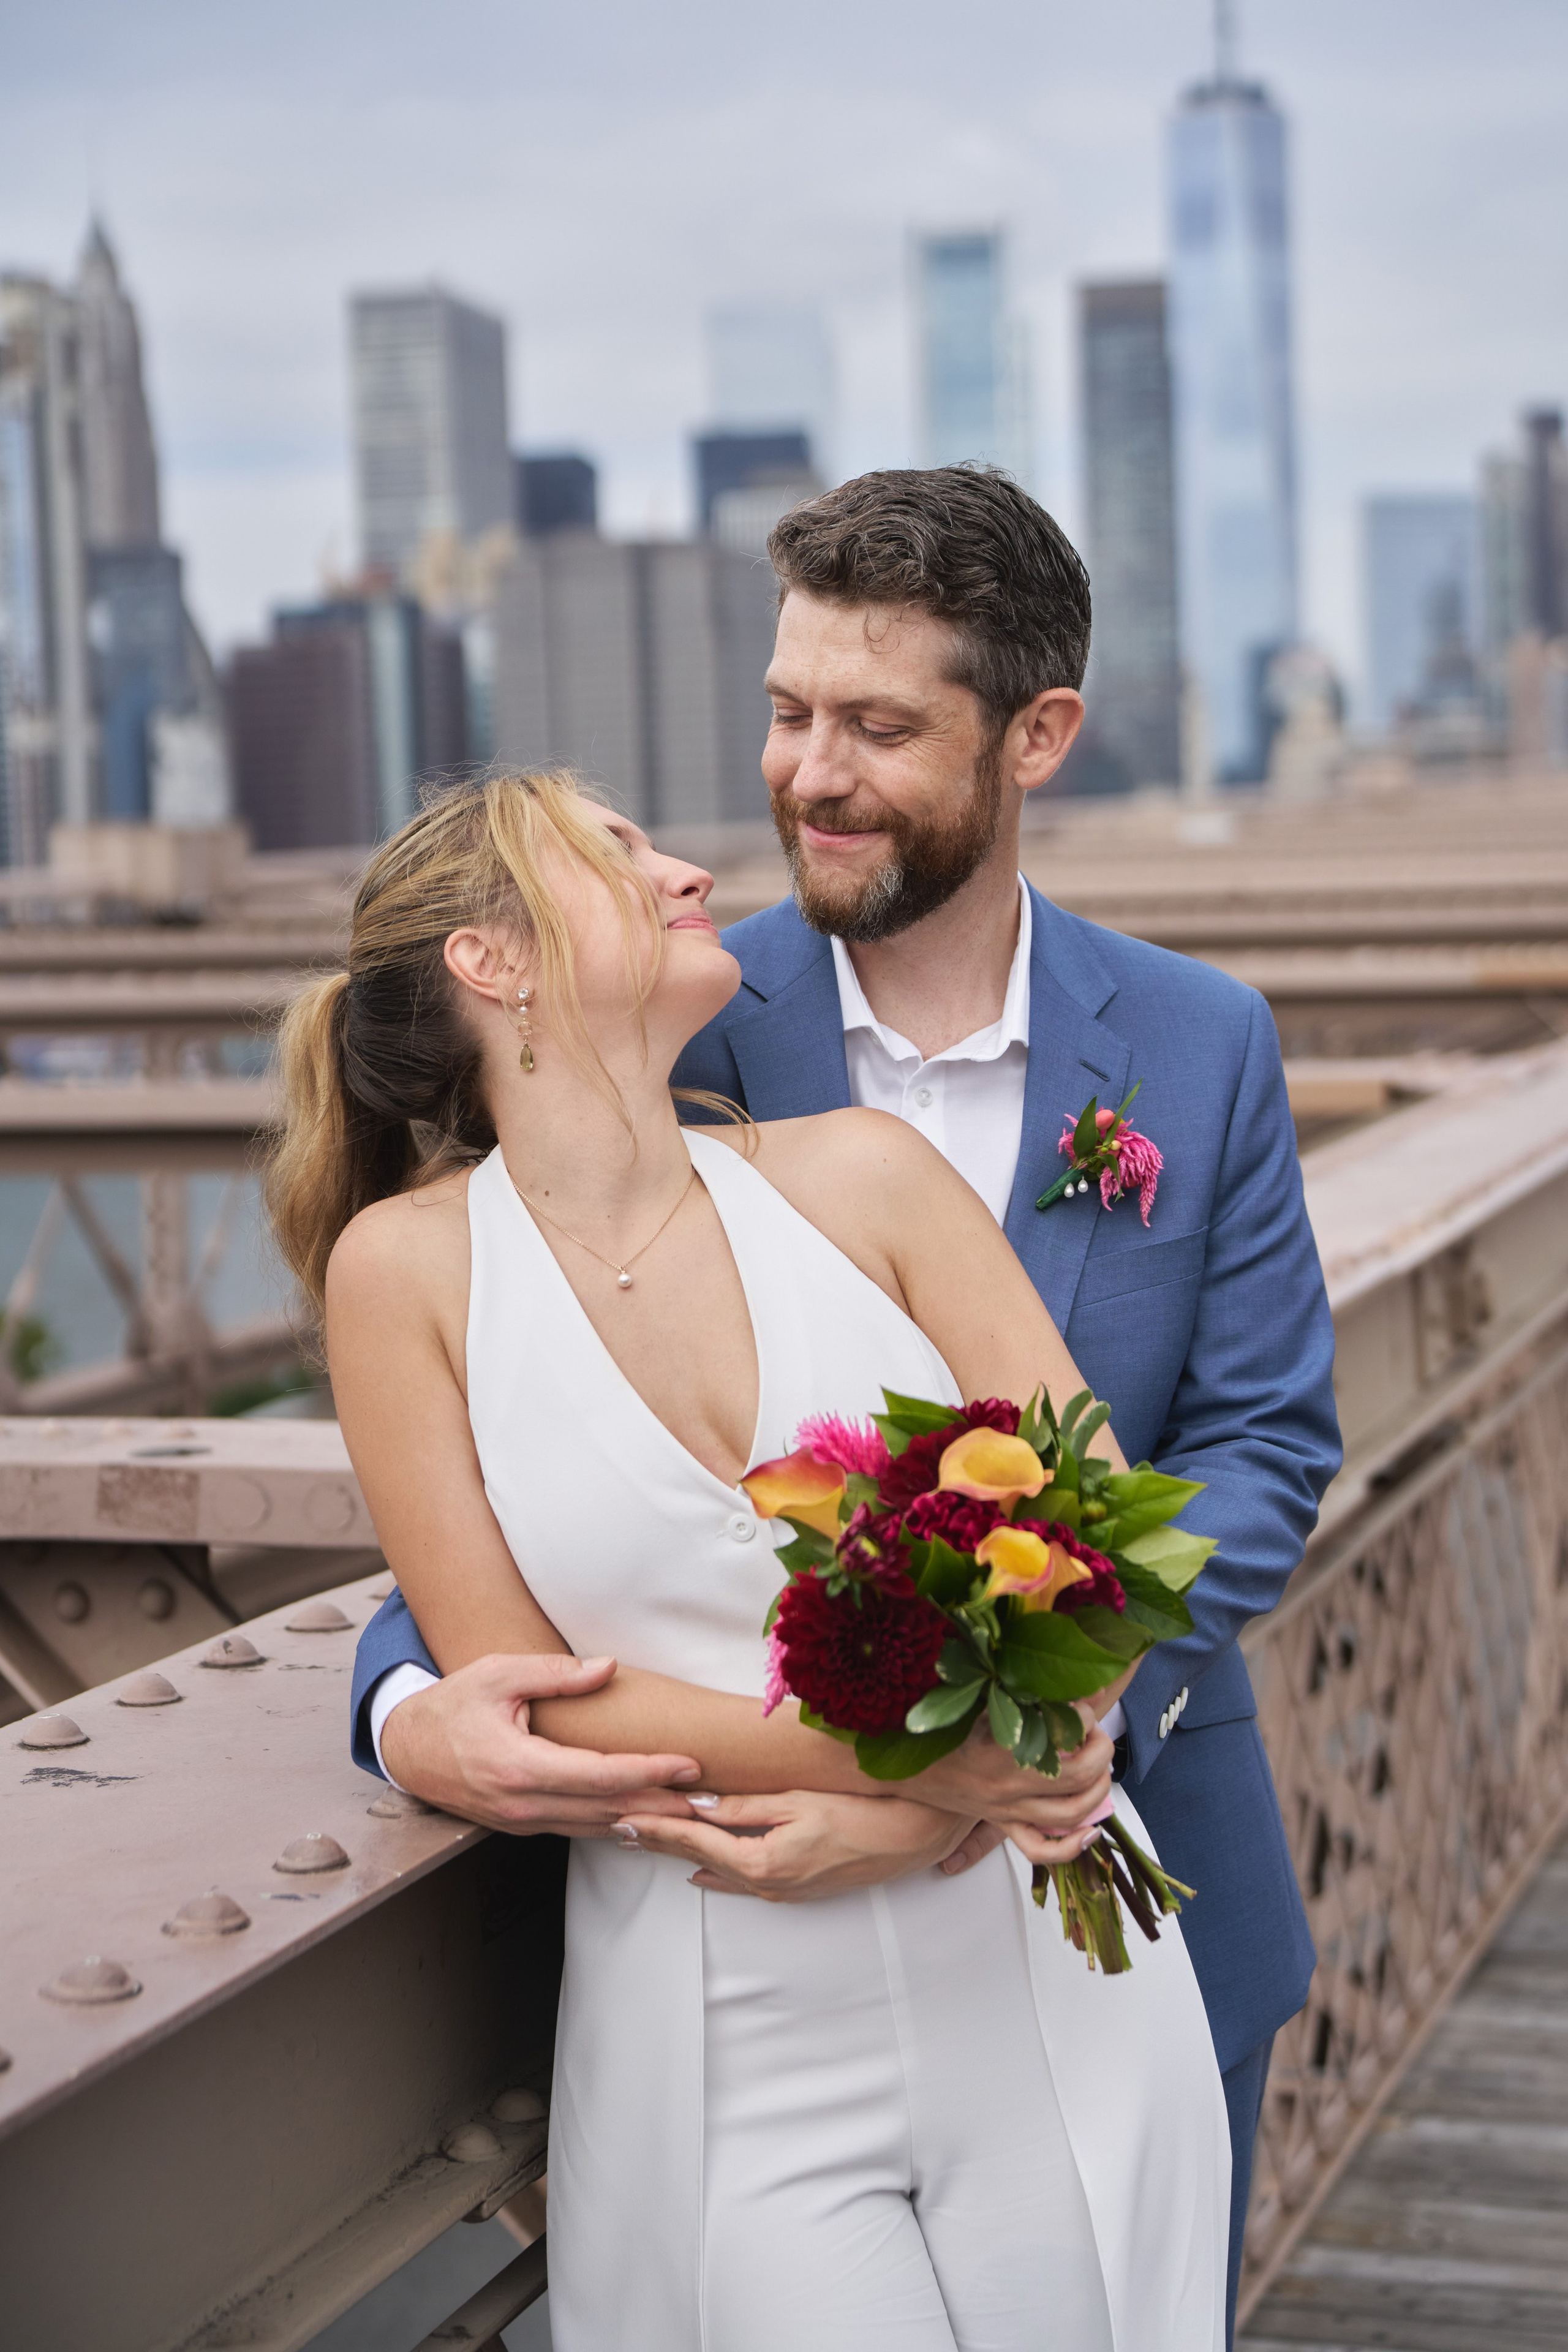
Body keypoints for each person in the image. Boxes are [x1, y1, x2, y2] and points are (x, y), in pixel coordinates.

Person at [344, 467, 1341, 2341]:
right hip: (760, 1969)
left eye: (879, 727)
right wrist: (404, 1710)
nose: (809, 774)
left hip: (1125, 1893)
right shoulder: (669, 1031)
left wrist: (1032, 1747)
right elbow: (535, 1479)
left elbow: (1269, 1451)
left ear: (1034, 735)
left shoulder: (1203, 1046)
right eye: (791, 712)